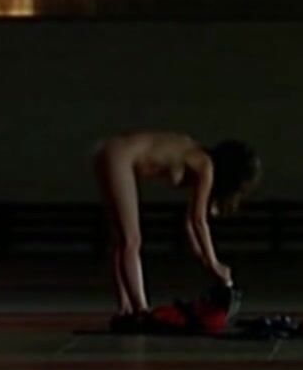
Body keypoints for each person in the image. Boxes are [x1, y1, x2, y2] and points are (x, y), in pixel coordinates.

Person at [92, 132, 260, 321]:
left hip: (111, 151)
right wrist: (214, 263)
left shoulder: (197, 157)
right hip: (120, 156)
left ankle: (126, 308)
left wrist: (205, 260)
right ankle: (141, 310)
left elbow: (190, 223)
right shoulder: (206, 165)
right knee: (131, 240)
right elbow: (198, 220)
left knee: (122, 240)